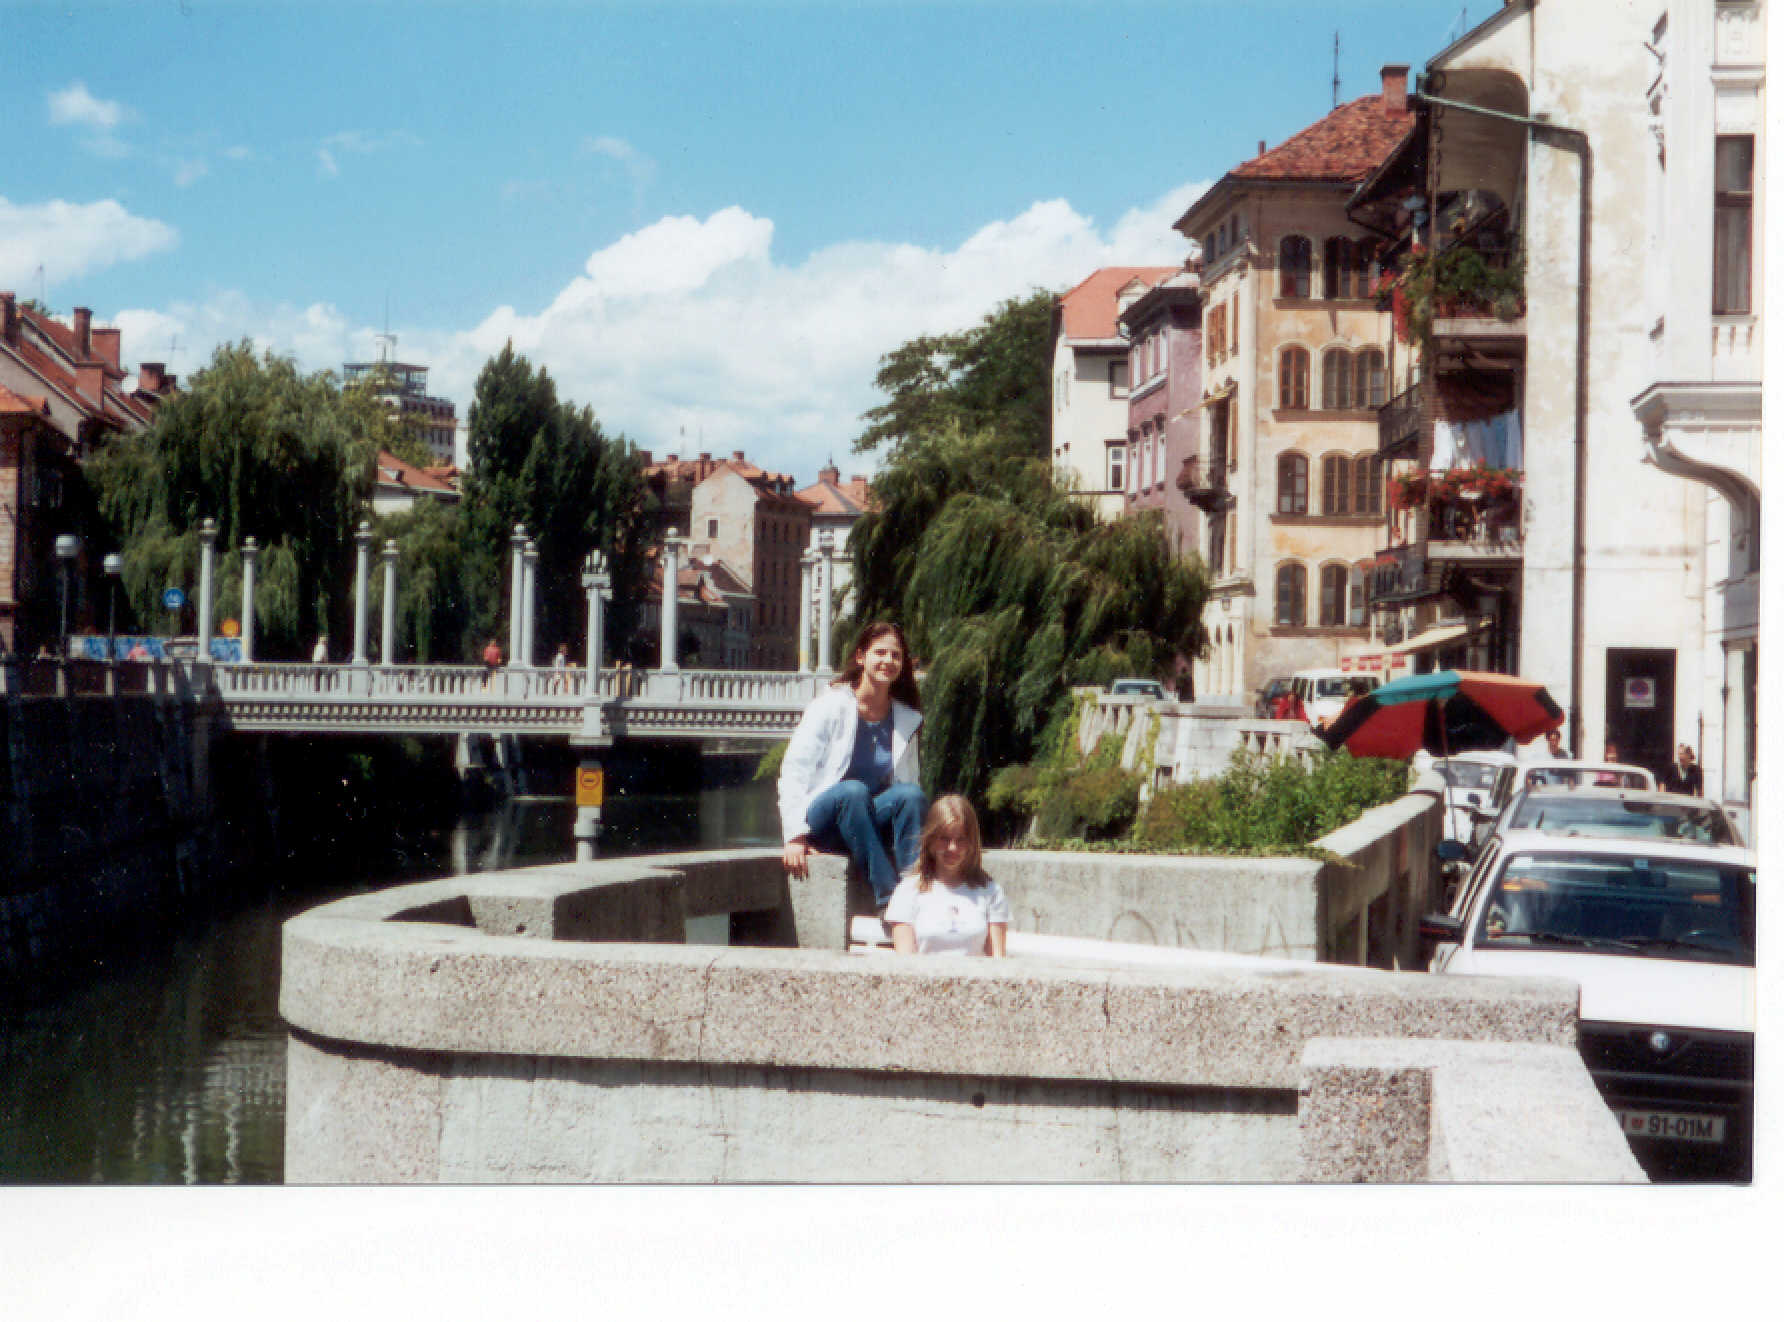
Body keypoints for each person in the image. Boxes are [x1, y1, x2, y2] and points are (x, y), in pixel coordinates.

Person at [779, 620, 926, 913]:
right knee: (852, 791)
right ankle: (891, 902)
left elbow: (908, 783)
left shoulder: (907, 719)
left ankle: (917, 890)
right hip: (826, 820)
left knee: (911, 794)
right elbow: (795, 771)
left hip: (867, 823)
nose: (888, 661)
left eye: (895, 655)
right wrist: (794, 836)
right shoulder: (830, 706)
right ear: (861, 657)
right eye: (880, 653)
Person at [884, 795, 1009, 957]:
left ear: (972, 843)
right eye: (944, 839)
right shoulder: (907, 891)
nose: (953, 848)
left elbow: (997, 961)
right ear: (930, 841)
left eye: (961, 840)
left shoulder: (991, 891)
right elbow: (906, 962)